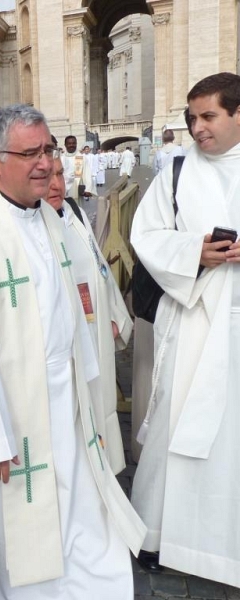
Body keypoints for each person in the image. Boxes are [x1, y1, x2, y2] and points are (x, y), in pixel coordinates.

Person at [0, 104, 146, 599]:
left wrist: (89, 387)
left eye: (48, 149)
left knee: (76, 510)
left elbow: (71, 304)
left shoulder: (49, 218)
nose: (47, 162)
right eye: (32, 153)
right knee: (7, 534)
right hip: (8, 412)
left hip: (63, 398)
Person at [130, 72, 240, 587]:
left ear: (238, 114)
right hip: (193, 315)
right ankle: (160, 536)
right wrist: (193, 252)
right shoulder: (174, 172)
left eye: (209, 116)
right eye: (191, 118)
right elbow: (145, 234)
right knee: (176, 426)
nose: (197, 128)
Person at [46, 156, 133, 474]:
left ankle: (103, 473)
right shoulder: (35, 225)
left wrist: (113, 313)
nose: (56, 184)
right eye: (47, 177)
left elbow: (100, 269)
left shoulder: (74, 212)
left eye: (59, 174)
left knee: (99, 403)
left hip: (95, 332)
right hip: (65, 346)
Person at [61, 134, 85, 200]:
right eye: (69, 143)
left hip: (77, 188)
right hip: (63, 188)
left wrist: (88, 189)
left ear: (76, 144)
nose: (71, 145)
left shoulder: (81, 157)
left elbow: (87, 174)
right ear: (65, 145)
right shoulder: (61, 158)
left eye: (74, 143)